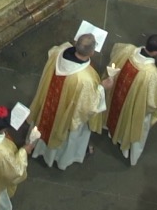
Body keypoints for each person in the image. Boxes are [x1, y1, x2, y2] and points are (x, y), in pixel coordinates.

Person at [27, 33, 106, 169]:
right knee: (66, 132)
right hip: (65, 117)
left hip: (47, 104)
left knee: (44, 123)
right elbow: (87, 108)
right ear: (92, 52)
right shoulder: (84, 79)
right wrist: (102, 88)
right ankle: (59, 158)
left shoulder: (58, 53)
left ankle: (37, 147)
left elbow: (55, 50)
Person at [102, 34, 157, 164]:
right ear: (156, 52)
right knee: (132, 121)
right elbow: (155, 100)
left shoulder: (128, 50)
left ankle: (112, 129)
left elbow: (114, 54)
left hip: (115, 97)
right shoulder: (150, 74)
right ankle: (125, 142)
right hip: (132, 108)